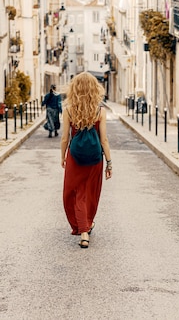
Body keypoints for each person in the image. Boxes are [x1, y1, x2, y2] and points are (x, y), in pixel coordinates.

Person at [60, 72, 112, 249]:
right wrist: (109, 163)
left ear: (74, 89)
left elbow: (65, 139)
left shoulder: (68, 110)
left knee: (74, 193)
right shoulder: (100, 111)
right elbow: (104, 139)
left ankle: (83, 230)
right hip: (95, 159)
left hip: (75, 158)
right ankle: (87, 224)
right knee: (90, 192)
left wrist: (62, 157)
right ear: (94, 89)